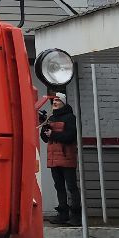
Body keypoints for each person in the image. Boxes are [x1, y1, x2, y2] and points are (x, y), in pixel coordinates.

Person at [38, 92, 81, 225]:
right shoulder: (51, 118)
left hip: (66, 157)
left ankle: (76, 216)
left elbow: (70, 136)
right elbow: (45, 138)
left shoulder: (70, 117)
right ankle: (63, 214)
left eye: (57, 101)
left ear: (63, 102)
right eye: (54, 101)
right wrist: (45, 129)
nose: (54, 103)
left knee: (71, 187)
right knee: (59, 186)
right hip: (54, 158)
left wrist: (53, 134)